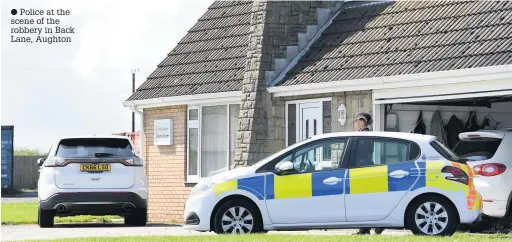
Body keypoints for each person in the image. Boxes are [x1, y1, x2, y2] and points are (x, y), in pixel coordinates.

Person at [353, 112, 385, 235]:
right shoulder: (361, 135)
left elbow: (362, 154)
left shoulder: (364, 136)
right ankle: (367, 228)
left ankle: (371, 227)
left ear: (361, 122)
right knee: (364, 200)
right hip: (362, 169)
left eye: (356, 121)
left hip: (363, 169)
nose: (355, 123)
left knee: (364, 200)